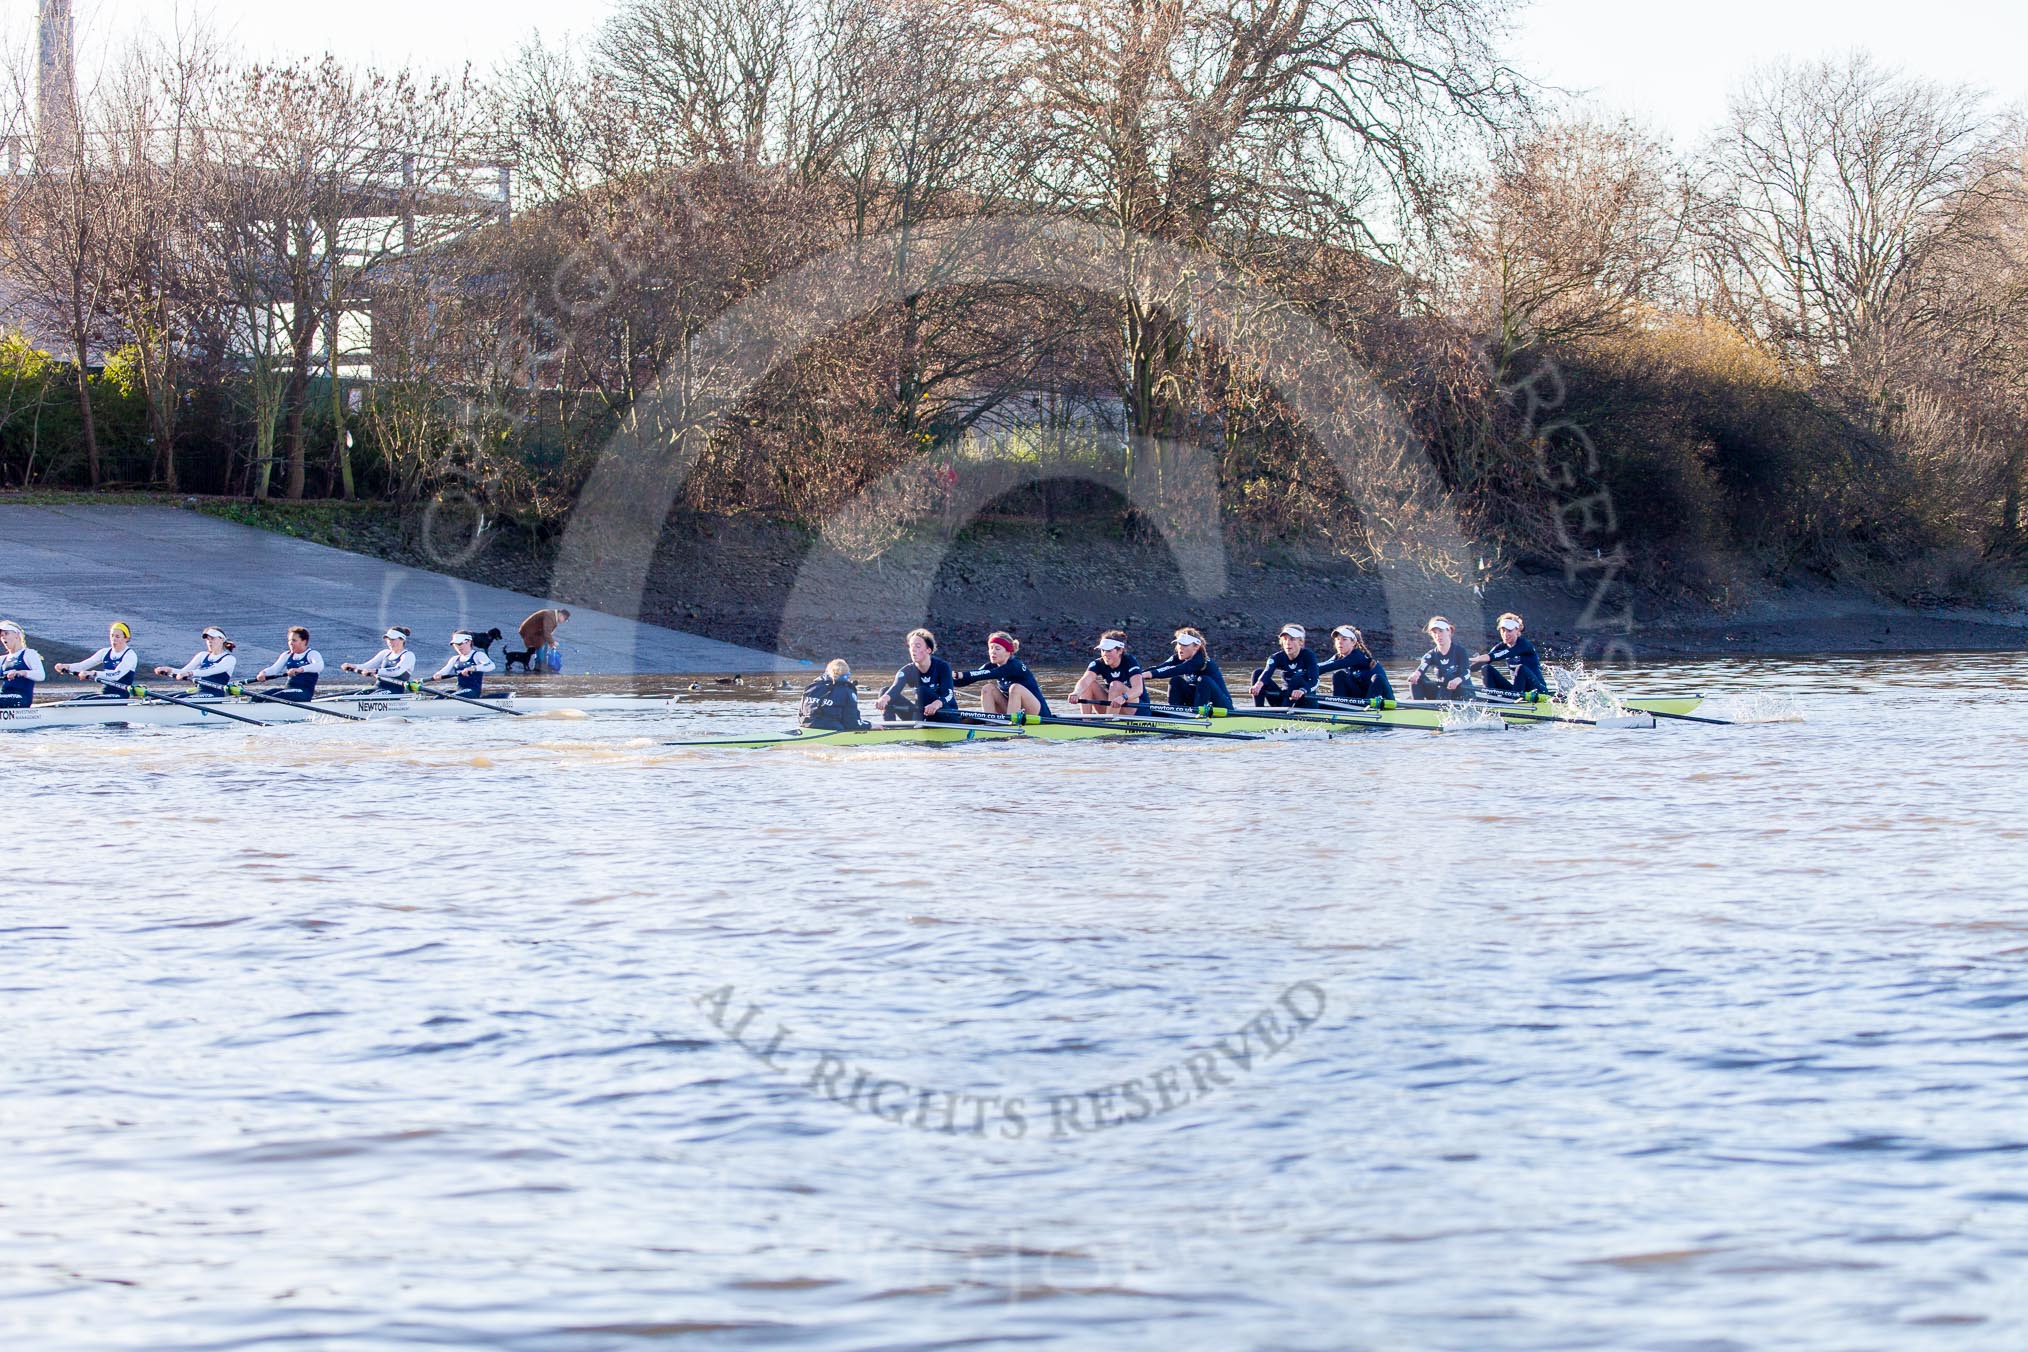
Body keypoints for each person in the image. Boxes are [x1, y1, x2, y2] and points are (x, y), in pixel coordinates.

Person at [952, 632, 1051, 716]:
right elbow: (972, 677)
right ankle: (990, 723)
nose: (993, 652)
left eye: (997, 649)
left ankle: (1011, 726)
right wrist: (945, 680)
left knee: (1015, 688)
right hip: (1015, 710)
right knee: (988, 688)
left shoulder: (1014, 665)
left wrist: (959, 674)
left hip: (1037, 712)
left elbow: (990, 673)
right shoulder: (992, 665)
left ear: (1008, 652)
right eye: (991, 648)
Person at [874, 628, 960, 723]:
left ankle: (916, 728)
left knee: (922, 691)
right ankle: (889, 728)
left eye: (918, 646)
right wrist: (884, 699)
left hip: (946, 714)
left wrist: (936, 704)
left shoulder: (942, 667)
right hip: (922, 714)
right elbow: (895, 688)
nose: (913, 649)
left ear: (928, 650)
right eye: (911, 646)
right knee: (885, 691)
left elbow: (949, 694)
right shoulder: (906, 671)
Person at [1145, 627, 1234, 712]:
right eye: (1179, 643)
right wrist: (1136, 675)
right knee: (1175, 680)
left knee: (1204, 680)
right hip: (1198, 701)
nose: (1180, 647)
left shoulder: (1199, 661)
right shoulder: (1179, 658)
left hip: (1222, 706)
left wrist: (1150, 674)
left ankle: (1197, 717)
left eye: (1185, 644)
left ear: (1196, 646)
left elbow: (1175, 670)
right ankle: (1175, 713)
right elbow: (1160, 668)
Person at [1070, 630, 1149, 715]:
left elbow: (1138, 689)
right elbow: (1085, 680)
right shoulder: (1098, 663)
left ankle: (1109, 721)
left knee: (1115, 685)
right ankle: (1086, 722)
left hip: (1138, 709)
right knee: (1089, 684)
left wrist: (1124, 697)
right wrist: (1076, 692)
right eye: (1102, 650)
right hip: (1114, 706)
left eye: (1109, 651)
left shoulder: (1130, 661)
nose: (1105, 654)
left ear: (1120, 651)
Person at [1473, 612, 1549, 697]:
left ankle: (1513, 700)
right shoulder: (1501, 646)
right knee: (1486, 668)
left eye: (1509, 630)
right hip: (1518, 690)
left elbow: (1499, 655)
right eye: (1503, 630)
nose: (1505, 634)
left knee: (1521, 668)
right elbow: (1479, 664)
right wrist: (1461, 668)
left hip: (1538, 691)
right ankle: (1491, 701)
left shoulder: (1524, 645)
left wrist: (1484, 657)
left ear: (1517, 630)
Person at [54, 621, 139, 696]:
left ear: (126, 638)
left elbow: (116, 675)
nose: (113, 639)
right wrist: (66, 666)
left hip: (120, 695)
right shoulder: (104, 652)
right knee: (80, 699)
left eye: (117, 636)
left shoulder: (130, 655)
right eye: (112, 635)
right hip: (105, 693)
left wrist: (93, 673)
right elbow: (82, 666)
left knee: (85, 701)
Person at [1315, 624, 1395, 703]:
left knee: (1378, 678)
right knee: (1339, 675)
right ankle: (1340, 707)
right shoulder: (1339, 657)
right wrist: (1304, 670)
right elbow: (1321, 666)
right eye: (1338, 639)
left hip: (1382, 698)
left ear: (1353, 642)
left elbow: (1332, 666)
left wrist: (1309, 670)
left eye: (1344, 639)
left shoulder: (1357, 656)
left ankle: (1366, 709)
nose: (1340, 642)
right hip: (1361, 696)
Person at [1250, 624, 1319, 708]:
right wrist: (1258, 685)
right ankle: (1258, 710)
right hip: (1285, 697)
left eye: (1292, 639)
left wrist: (1302, 690)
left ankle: (1282, 711)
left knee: (1297, 678)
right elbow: (1267, 673)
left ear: (1301, 642)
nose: (1288, 643)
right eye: (1285, 639)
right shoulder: (1276, 657)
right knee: (1257, 673)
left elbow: (1314, 682)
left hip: (1305, 701)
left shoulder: (1309, 656)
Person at [249, 627, 325, 702]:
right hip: (288, 690)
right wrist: (263, 673)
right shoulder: (287, 655)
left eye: (294, 640)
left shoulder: (312, 654)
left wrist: (300, 669)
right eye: (289, 640)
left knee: (273, 699)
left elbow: (319, 666)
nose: (290, 643)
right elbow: (274, 669)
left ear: (304, 641)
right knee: (256, 698)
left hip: (303, 693)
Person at [154, 626, 237, 692]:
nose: (209, 642)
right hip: (199, 691)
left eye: (212, 638)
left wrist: (190, 673)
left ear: (221, 639)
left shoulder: (229, 659)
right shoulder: (202, 655)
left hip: (215, 694)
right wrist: (169, 670)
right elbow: (182, 672)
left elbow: (210, 671)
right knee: (168, 698)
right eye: (207, 639)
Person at [1410, 616, 1474, 701]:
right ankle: (1417, 709)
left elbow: (1467, 672)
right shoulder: (1430, 655)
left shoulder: (1460, 651)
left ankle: (1440, 705)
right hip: (1443, 691)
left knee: (1449, 676)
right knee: (1416, 679)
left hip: (1462, 692)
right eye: (1434, 632)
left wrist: (1458, 680)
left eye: (1441, 631)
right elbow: (1422, 668)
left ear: (1449, 631)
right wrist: (1416, 674)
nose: (1437, 635)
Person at [800, 659, 871, 730]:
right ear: (847, 674)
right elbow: (852, 724)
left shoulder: (811, 687)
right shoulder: (847, 692)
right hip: (832, 729)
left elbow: (800, 714)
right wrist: (869, 725)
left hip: (806, 724)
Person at [342, 627, 417, 692]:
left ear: (402, 639)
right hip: (378, 688)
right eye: (388, 639)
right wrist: (352, 666)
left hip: (393, 692)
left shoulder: (408, 655)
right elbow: (367, 666)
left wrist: (376, 671)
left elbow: (396, 671)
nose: (390, 642)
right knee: (358, 695)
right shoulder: (385, 653)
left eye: (393, 639)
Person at [432, 632, 498, 697]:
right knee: (439, 697)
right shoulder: (455, 659)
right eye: (455, 644)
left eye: (460, 644)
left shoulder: (478, 655)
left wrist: (473, 668)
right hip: (459, 691)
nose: (458, 647)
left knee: (450, 697)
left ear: (469, 642)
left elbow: (491, 666)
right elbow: (445, 670)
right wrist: (437, 674)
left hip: (472, 692)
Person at [0, 621, 47, 708]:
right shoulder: (2, 659)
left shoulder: (29, 654)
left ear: (17, 635)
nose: (3, 638)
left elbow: (41, 676)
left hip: (21, 697)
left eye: (6, 634)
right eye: (1, 636)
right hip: (4, 695)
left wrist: (21, 672)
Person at [518, 607, 571, 671]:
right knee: (541, 645)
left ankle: (541, 664)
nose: (564, 621)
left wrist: (551, 642)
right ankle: (539, 665)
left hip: (536, 631)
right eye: (565, 619)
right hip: (530, 632)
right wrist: (552, 642)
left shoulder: (553, 616)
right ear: (561, 615)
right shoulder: (550, 616)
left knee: (544, 643)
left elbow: (547, 632)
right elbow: (546, 632)